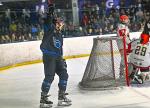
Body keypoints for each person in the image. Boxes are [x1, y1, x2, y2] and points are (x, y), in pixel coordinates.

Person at [39, 4, 71, 108]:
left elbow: (59, 47)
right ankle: (43, 99)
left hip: (57, 57)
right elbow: (48, 21)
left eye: (62, 23)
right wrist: (50, 13)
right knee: (49, 77)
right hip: (49, 56)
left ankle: (61, 98)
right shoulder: (49, 29)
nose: (62, 24)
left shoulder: (60, 34)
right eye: (60, 22)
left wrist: (61, 58)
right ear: (55, 23)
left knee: (64, 75)